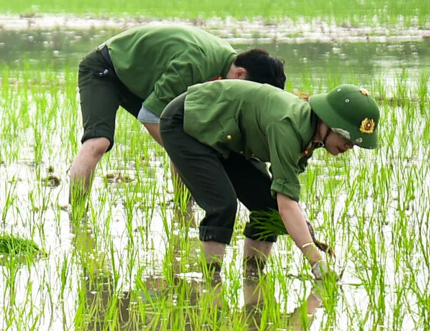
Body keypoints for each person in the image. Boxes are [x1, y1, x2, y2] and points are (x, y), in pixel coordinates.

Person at [159, 80, 380, 279]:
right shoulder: (288, 126)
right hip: (188, 122)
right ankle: (211, 280)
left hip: (226, 136)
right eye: (347, 138)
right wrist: (316, 262)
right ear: (330, 122)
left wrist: (303, 224)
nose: (349, 147)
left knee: (268, 207)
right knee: (222, 204)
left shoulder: (311, 135)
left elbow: (284, 194)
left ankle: (252, 276)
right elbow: (287, 204)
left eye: (355, 144)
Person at [69, 24, 286, 204]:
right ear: (240, 74)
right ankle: (76, 214)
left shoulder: (224, 72)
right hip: (106, 69)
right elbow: (150, 115)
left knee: (186, 135)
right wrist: (191, 155)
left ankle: (183, 212)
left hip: (140, 76)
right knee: (98, 142)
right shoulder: (195, 65)